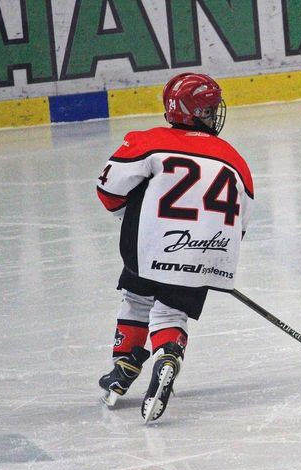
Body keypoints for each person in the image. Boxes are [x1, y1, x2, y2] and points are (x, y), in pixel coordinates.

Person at [95, 72, 254, 422]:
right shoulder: (235, 158)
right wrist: (209, 253)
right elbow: (239, 224)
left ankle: (125, 366)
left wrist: (139, 217)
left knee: (137, 298)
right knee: (171, 313)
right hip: (208, 252)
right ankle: (167, 354)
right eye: (209, 109)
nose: (214, 115)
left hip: (153, 248)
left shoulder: (147, 141)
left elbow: (108, 191)